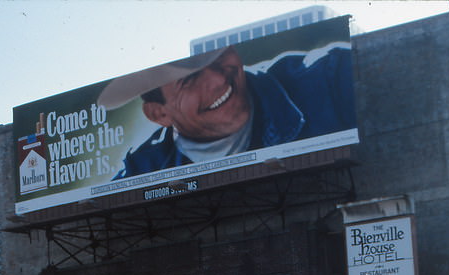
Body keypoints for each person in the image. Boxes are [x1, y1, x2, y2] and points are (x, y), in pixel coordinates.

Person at [97, 44, 356, 178]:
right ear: (159, 114)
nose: (218, 80)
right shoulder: (141, 170)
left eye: (218, 56)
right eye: (188, 80)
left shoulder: (330, 78)